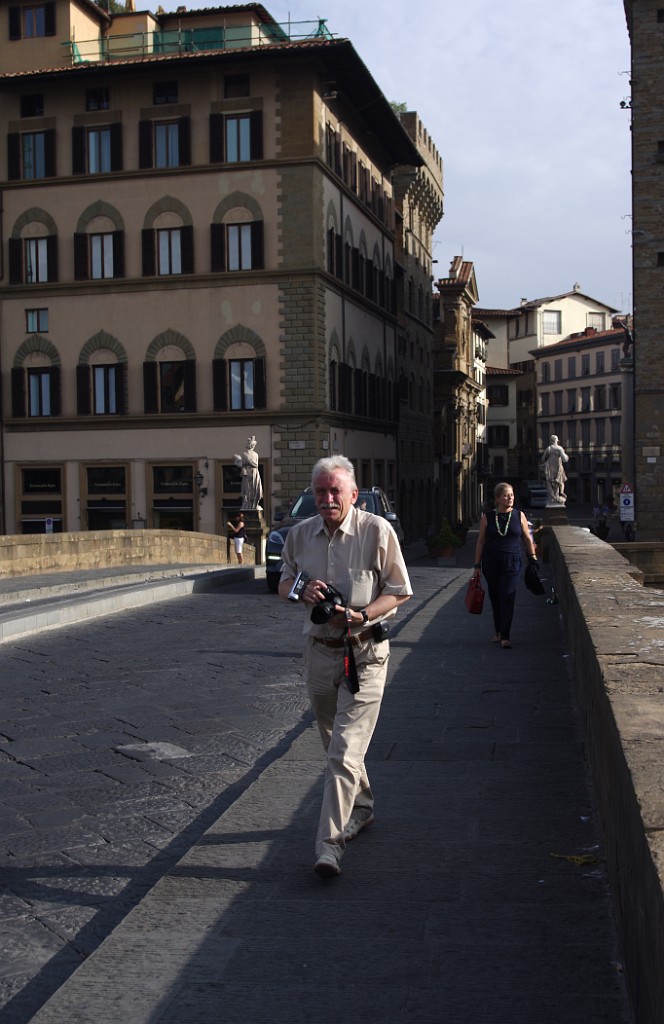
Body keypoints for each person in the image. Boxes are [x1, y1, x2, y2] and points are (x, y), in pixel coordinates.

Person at [279, 455, 412, 879]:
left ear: (354, 495)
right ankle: (364, 807)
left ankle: (329, 846)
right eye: (320, 491)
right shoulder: (299, 535)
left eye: (335, 491)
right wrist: (302, 590)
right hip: (319, 653)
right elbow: (283, 580)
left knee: (342, 753)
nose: (327, 498)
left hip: (366, 653)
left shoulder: (377, 531)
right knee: (338, 744)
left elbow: (400, 590)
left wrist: (364, 614)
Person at [472, 481, 538, 649]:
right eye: (506, 495)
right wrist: (477, 565)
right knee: (495, 596)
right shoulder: (487, 517)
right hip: (491, 562)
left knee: (508, 595)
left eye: (512, 495)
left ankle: (506, 636)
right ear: (497, 498)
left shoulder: (519, 515)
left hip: (512, 561)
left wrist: (533, 558)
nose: (510, 498)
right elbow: (480, 542)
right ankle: (498, 631)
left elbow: (527, 538)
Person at [233, 436, 263, 509]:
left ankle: (254, 504)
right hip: (248, 473)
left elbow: (256, 464)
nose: (252, 446)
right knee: (247, 489)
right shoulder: (244, 454)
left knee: (256, 490)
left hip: (255, 473)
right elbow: (242, 464)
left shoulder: (255, 454)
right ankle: (248, 504)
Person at [541, 434, 569, 505]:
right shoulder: (559, 449)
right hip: (558, 470)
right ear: (556, 440)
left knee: (551, 485)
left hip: (550, 470)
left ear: (551, 441)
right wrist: (565, 455)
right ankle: (558, 496)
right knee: (559, 484)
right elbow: (565, 459)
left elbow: (543, 459)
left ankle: (553, 499)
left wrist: (548, 458)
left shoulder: (549, 449)